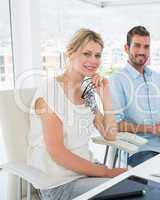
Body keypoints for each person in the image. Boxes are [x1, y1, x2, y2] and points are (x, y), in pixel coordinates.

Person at [27, 28, 127, 200]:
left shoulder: (87, 92)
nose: (93, 61)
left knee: (134, 185)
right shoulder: (50, 92)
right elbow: (57, 152)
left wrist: (106, 96)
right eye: (86, 54)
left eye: (97, 55)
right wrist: (106, 172)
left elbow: (109, 135)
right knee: (123, 191)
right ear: (71, 54)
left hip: (87, 173)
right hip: (59, 183)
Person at [109, 26, 160, 167]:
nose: (142, 51)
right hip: (139, 149)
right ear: (126, 48)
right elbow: (116, 124)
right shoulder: (118, 80)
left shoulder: (156, 77)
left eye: (146, 47)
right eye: (137, 46)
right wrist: (151, 129)